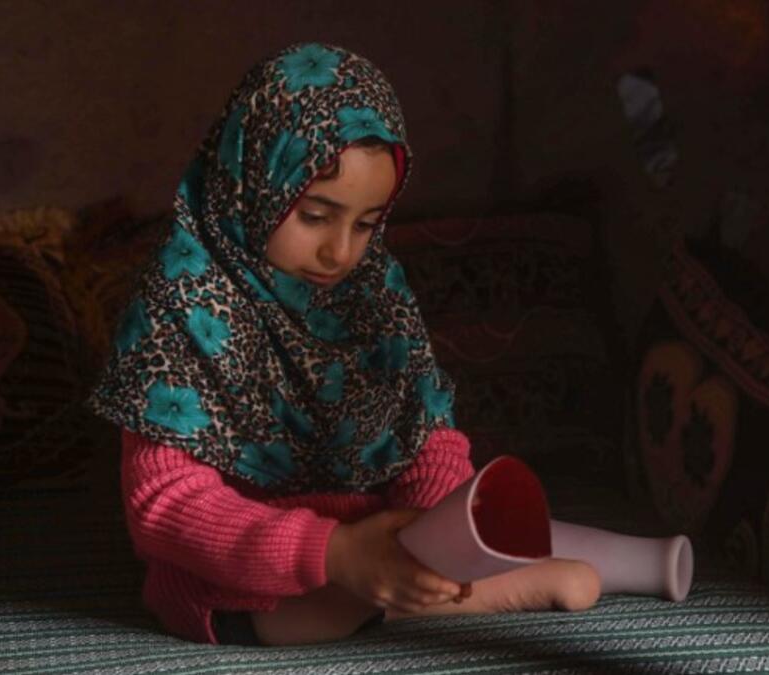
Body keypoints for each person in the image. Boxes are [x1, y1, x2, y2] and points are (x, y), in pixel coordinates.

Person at [87, 43, 600, 647]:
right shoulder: (179, 302)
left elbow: (425, 434)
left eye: (365, 224)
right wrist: (335, 552)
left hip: (380, 542)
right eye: (314, 216)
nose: (340, 252)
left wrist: (435, 528)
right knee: (294, 609)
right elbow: (164, 505)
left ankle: (438, 588)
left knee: (475, 528)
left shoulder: (373, 292)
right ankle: (452, 596)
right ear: (252, 183)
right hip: (238, 574)